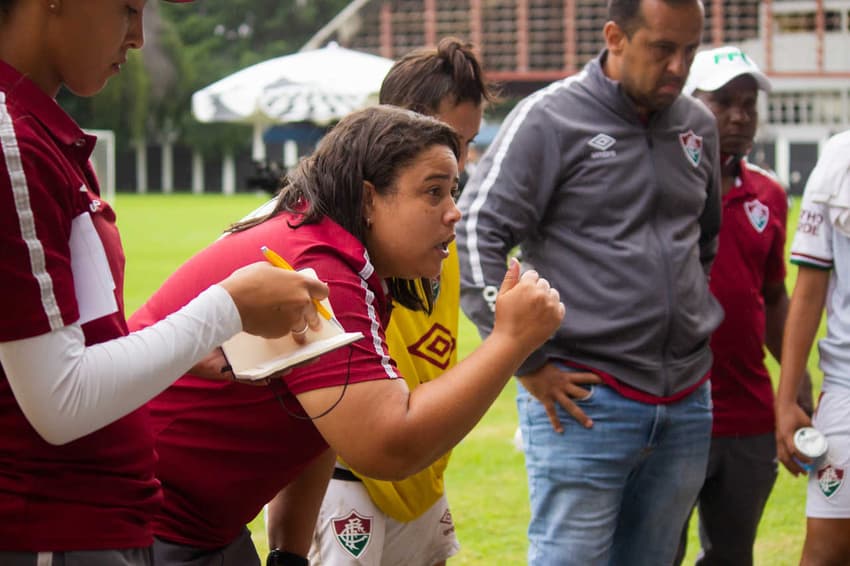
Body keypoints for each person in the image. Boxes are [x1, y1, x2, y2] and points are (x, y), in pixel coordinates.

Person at [127, 105, 565, 566]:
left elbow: (322, 423)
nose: (454, 212)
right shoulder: (319, 268)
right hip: (146, 524)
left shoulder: (339, 258)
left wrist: (290, 555)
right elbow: (386, 445)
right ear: (368, 199)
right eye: (434, 192)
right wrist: (510, 341)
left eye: (453, 191)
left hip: (187, 523)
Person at [0, 0, 332, 564]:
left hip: (97, 520)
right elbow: (58, 403)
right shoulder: (14, 145)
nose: (138, 37)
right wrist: (226, 308)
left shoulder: (42, 136)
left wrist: (184, 347)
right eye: (128, 8)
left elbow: (62, 350)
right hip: (49, 526)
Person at [456, 0, 724, 563]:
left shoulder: (698, 126)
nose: (679, 67)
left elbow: (702, 245)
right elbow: (476, 233)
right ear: (615, 38)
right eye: (662, 49)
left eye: (690, 51)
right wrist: (525, 362)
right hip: (585, 400)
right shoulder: (551, 118)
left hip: (685, 400)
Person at [265, 37, 495, 566]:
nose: (458, 162)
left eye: (466, 143)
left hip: (422, 468)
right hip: (353, 473)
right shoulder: (324, 240)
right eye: (448, 141)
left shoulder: (441, 222)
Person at [673, 45, 812, 566]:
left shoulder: (770, 195)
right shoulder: (660, 186)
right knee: (658, 551)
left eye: (749, 102)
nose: (739, 114)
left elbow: (773, 294)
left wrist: (795, 377)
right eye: (723, 100)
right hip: (674, 411)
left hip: (749, 418)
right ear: (690, 104)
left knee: (733, 556)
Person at [775, 128, 850, 565]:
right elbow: (808, 291)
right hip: (845, 389)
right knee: (827, 551)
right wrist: (786, 400)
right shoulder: (840, 158)